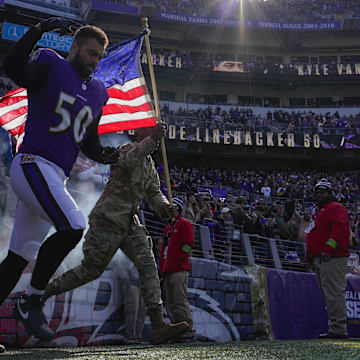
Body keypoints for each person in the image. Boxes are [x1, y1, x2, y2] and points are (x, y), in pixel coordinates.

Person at [0, 17, 120, 343]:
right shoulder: (51, 65)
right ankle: (32, 300)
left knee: (17, 258)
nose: (94, 60)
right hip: (32, 163)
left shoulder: (97, 92)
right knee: (73, 226)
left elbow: (89, 143)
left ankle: (28, 297)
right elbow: (13, 67)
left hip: (55, 176)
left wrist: (108, 156)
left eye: (99, 56)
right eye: (90, 53)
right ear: (76, 47)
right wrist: (39, 29)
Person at [42, 123, 189, 345]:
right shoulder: (125, 150)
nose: (154, 135)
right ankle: (43, 293)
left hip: (129, 222)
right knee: (90, 270)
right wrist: (154, 140)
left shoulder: (150, 165)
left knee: (148, 264)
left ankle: (158, 325)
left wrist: (165, 207)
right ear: (140, 135)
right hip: (108, 218)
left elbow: (154, 193)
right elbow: (129, 162)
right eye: (149, 132)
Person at [306, 178, 350, 339]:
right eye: (317, 192)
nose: (319, 195)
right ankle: (335, 328)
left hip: (332, 258)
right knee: (329, 295)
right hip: (321, 259)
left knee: (334, 293)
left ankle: (338, 330)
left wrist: (328, 249)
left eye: (322, 192)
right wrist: (310, 256)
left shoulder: (336, 208)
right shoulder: (322, 211)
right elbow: (314, 234)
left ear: (330, 193)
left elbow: (339, 229)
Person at [159, 197, 196, 343]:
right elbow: (163, 250)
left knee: (180, 301)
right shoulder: (167, 227)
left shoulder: (184, 224)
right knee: (170, 302)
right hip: (167, 270)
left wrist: (180, 259)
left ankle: (188, 331)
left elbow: (188, 245)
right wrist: (162, 269)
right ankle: (177, 330)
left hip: (179, 270)